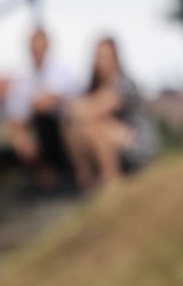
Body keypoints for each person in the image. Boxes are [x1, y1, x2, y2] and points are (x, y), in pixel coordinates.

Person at [0, 27, 83, 226]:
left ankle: (55, 174)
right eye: (33, 48)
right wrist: (21, 140)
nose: (37, 52)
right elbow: (16, 120)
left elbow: (44, 105)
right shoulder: (23, 79)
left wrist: (27, 116)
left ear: (48, 47)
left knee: (44, 119)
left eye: (40, 47)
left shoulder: (62, 70)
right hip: (38, 146)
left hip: (64, 142)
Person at [65, 36, 159, 192]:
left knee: (98, 125)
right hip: (116, 142)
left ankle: (112, 182)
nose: (104, 62)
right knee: (74, 129)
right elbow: (73, 113)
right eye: (100, 57)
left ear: (117, 58)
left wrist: (77, 108)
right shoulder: (93, 88)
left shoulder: (125, 84)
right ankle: (87, 182)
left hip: (138, 146)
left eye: (108, 57)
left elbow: (94, 109)